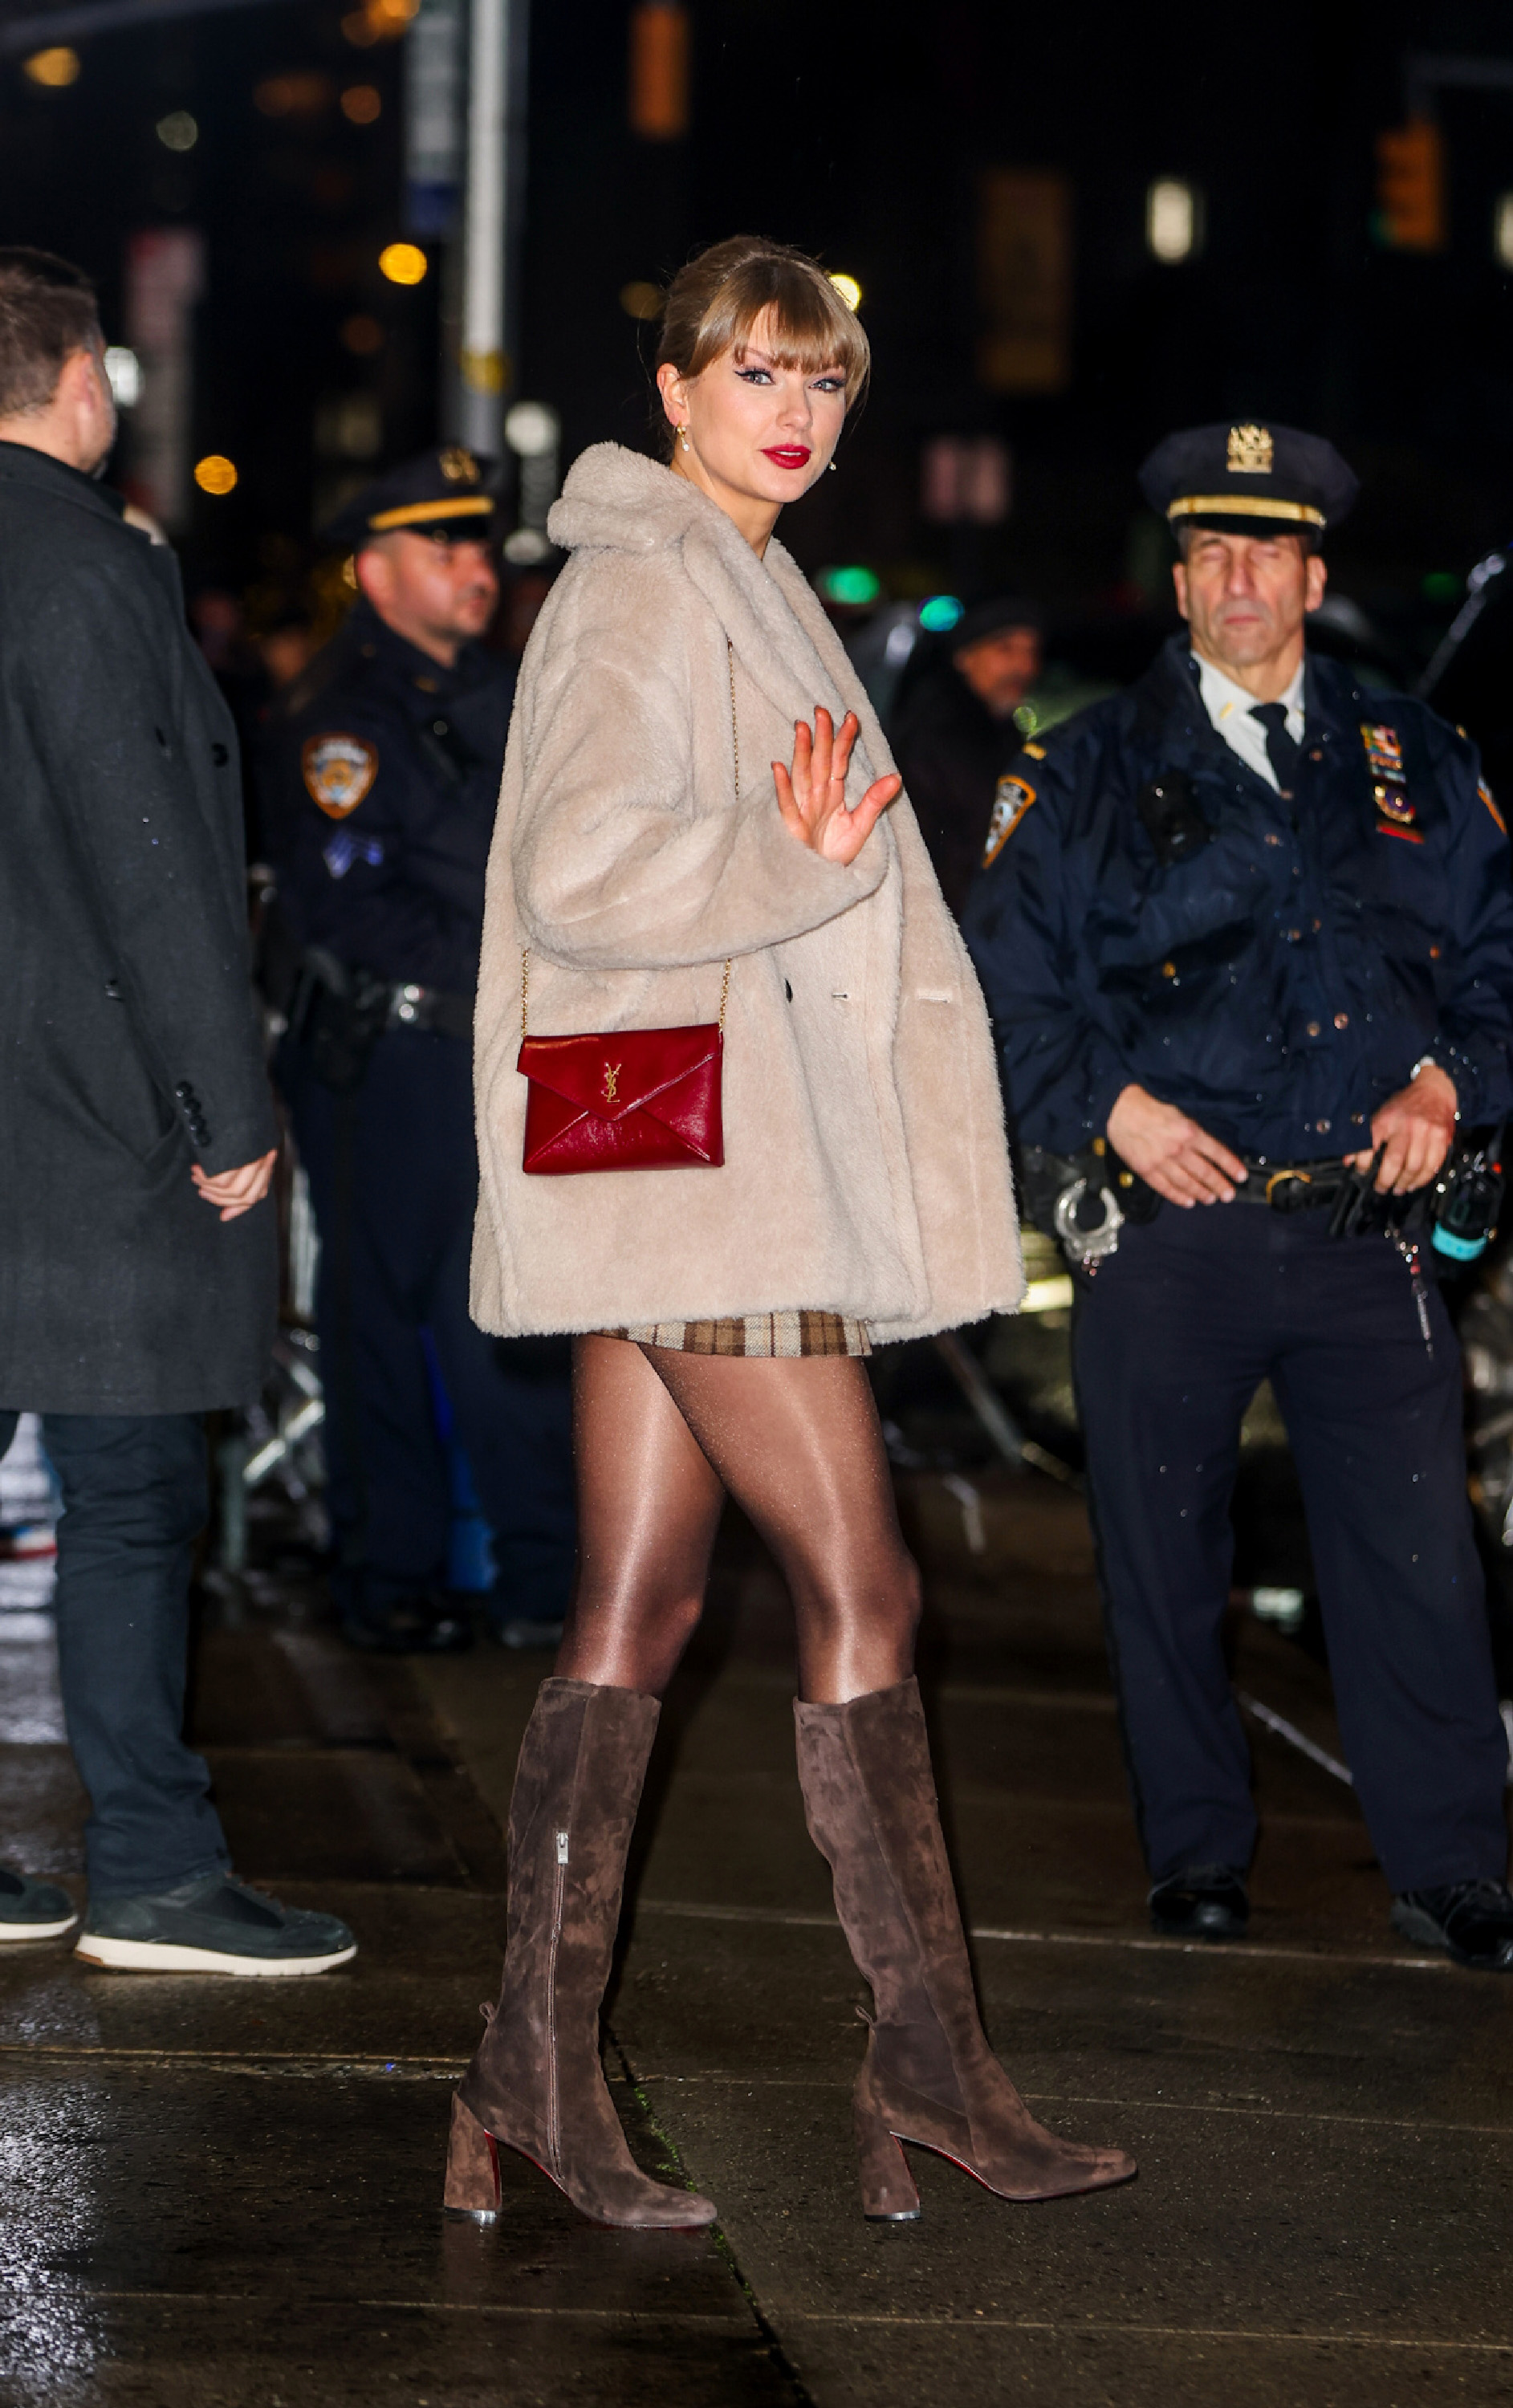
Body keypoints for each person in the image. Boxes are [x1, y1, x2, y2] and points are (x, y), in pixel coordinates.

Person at [440, 236, 1135, 2231]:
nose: (793, 407)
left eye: (821, 379)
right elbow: (578, 872)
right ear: (671, 389)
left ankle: (525, 2074)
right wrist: (787, 850)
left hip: (672, 1168)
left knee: (634, 1615)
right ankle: (927, 2069)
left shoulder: (743, 581)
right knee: (865, 1589)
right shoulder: (651, 585)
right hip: (698, 1174)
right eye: (755, 370)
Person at [963, 420, 1513, 1970]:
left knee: (1419, 1564)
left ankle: (1454, 1865)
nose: (1241, 578)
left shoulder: (1415, 757)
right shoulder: (1079, 768)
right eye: (1212, 551)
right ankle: (1196, 1854)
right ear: (1181, 582)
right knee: (1164, 1559)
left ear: (1314, 573)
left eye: (1268, 549)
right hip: (1170, 1233)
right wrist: (1115, 1111)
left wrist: (1451, 1088)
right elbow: (997, 990)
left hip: (1364, 1233)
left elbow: (1496, 959)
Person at [0, 246, 355, 1974]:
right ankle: (148, 1864)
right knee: (132, 1489)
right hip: (91, 1115)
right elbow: (154, 868)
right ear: (83, 384)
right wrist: (228, 1106)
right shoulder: (88, 571)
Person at [259, 449, 576, 1654]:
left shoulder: (510, 687)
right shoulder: (343, 714)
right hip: (393, 1063)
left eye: (478, 545)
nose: (474, 569)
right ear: (373, 569)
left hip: (501, 1053)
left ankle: (544, 1580)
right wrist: (514, 953)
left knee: (513, 1324)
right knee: (386, 1323)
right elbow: (346, 904)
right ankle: (389, 1581)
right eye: (442, 548)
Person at [889, 596, 1043, 913]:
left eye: (1031, 651)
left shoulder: (1003, 732)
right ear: (964, 656)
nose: (1024, 667)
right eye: (1005, 649)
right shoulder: (933, 737)